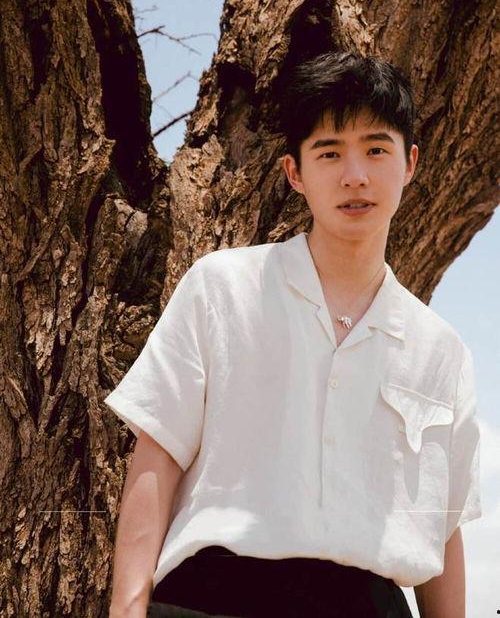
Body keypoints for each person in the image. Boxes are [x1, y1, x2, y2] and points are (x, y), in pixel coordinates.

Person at [103, 50, 481, 618]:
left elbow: (442, 527)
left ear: (410, 164)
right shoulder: (222, 288)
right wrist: (127, 609)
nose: (355, 175)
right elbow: (157, 455)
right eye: (329, 153)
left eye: (376, 149)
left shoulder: (440, 349)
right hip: (211, 596)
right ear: (295, 172)